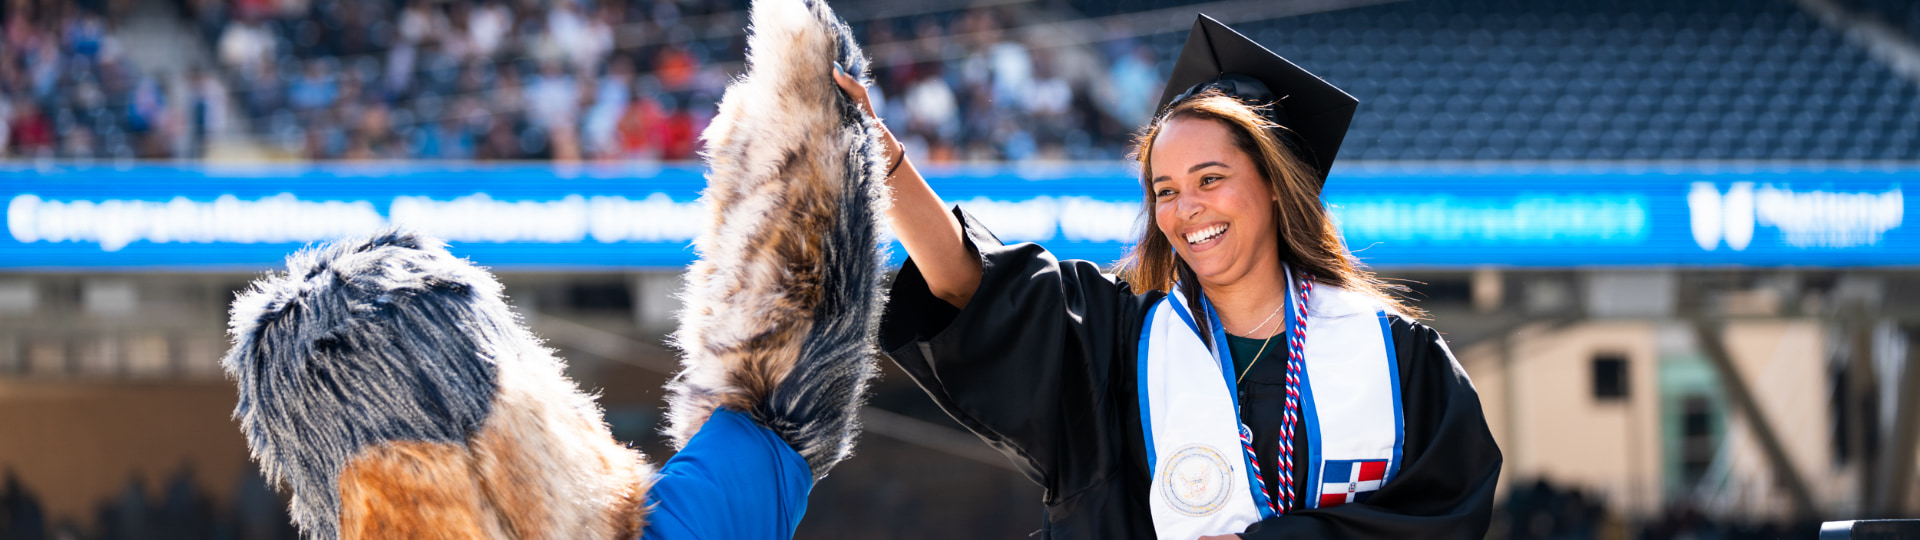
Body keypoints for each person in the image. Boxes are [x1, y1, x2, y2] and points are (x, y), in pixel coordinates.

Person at [834, 14, 1501, 540]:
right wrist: (882, 158)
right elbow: (968, 285)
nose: (1187, 210)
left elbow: (1445, 510)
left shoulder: (1395, 353)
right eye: (1165, 189)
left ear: (1274, 186)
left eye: (1211, 180)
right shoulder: (1120, 342)